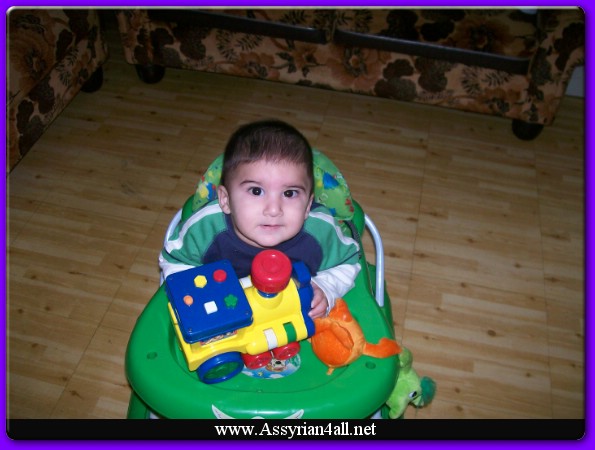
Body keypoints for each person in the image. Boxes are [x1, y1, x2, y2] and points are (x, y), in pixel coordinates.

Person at [159, 119, 361, 318]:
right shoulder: (205, 229)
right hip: (222, 316)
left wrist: (325, 288)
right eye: (256, 191)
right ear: (226, 200)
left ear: (308, 206)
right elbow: (174, 261)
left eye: (289, 193)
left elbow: (349, 262)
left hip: (292, 315)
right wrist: (200, 299)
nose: (273, 210)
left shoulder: (320, 232)